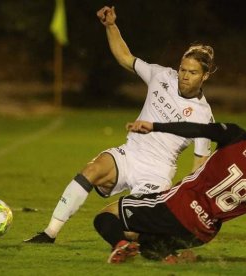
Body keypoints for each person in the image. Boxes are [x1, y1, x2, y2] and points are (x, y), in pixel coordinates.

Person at [25, 5, 216, 243]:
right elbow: (126, 58)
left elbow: (199, 167)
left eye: (193, 73)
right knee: (91, 170)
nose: (184, 76)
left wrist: (185, 199)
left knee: (123, 224)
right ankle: (49, 233)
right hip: (129, 154)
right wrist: (111, 26)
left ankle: (136, 242)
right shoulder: (161, 76)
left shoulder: (203, 116)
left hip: (157, 173)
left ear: (205, 76)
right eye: (182, 69)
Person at [93, 103, 246, 265]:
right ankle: (166, 254)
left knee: (107, 215)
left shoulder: (236, 136)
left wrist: (155, 126)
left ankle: (120, 245)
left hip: (177, 207)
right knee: (146, 241)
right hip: (201, 232)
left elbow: (196, 129)